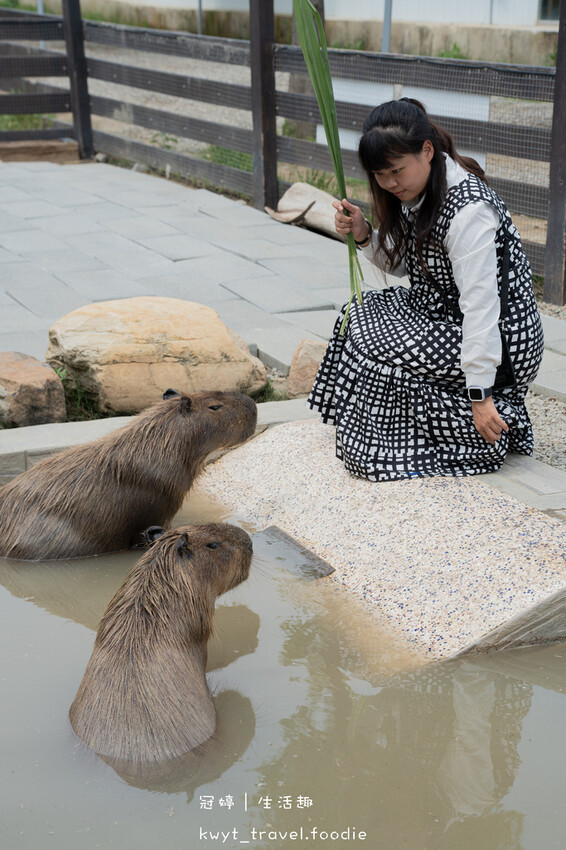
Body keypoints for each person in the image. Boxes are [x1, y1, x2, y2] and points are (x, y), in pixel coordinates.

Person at [307, 98, 544, 482]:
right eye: (380, 174)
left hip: (499, 342)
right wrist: (365, 233)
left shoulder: (469, 211)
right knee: (358, 315)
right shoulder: (418, 192)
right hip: (440, 314)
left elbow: (481, 307)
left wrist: (480, 395)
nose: (389, 183)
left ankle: (480, 422)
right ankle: (396, 430)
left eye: (396, 171)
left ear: (427, 151)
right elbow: (407, 265)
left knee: (371, 340)